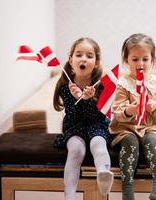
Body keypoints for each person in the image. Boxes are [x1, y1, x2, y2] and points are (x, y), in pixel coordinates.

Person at [109, 33, 156, 200]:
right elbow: (117, 111)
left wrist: (155, 106)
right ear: (127, 60)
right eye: (135, 59)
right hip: (127, 128)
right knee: (130, 143)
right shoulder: (124, 83)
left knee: (151, 141)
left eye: (145, 59)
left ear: (152, 60)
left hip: (150, 126)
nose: (140, 64)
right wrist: (130, 110)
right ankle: (127, 187)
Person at [53, 37, 114, 200]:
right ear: (71, 60)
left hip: (97, 124)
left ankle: (103, 173)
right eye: (79, 55)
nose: (83, 59)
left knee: (98, 145)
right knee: (76, 150)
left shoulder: (101, 85)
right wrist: (76, 98)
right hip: (74, 126)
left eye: (89, 56)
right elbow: (72, 115)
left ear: (96, 62)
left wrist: (89, 100)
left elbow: (102, 115)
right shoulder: (65, 87)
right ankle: (70, 194)